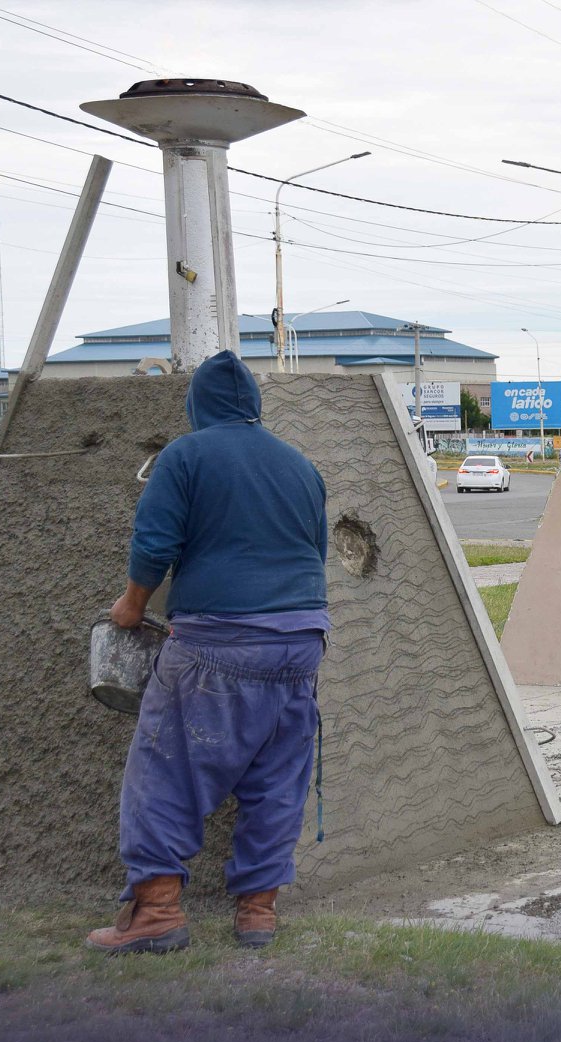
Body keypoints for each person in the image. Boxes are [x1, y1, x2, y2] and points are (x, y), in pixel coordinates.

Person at [86, 350, 330, 956]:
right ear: (252, 405)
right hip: (299, 645)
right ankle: (257, 914)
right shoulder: (301, 465)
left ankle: (157, 913)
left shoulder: (187, 454)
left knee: (164, 772)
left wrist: (132, 605)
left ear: (199, 406)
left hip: (217, 642)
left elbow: (155, 539)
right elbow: (315, 552)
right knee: (277, 781)